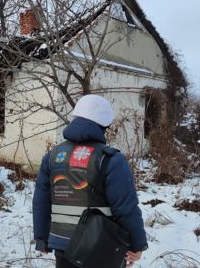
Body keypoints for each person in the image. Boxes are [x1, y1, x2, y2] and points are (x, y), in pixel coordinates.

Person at [33, 94, 148, 268]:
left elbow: (41, 200)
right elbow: (125, 207)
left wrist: (42, 238)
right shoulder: (110, 159)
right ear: (104, 125)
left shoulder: (52, 156)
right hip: (101, 244)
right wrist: (137, 244)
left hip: (62, 245)